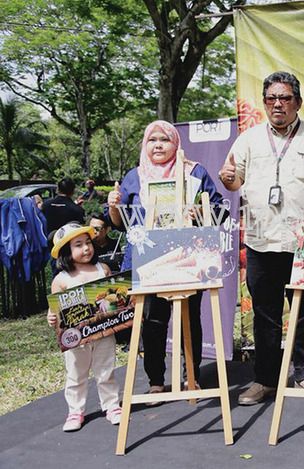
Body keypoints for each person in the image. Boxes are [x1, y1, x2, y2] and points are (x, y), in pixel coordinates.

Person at [219, 71, 304, 405]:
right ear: (265, 102)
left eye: (285, 98)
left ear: (297, 102)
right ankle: (265, 379)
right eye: (271, 98)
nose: (278, 104)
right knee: (265, 313)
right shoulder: (248, 139)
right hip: (260, 239)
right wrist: (227, 179)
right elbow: (234, 181)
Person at [107, 120, 225, 402]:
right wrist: (113, 206)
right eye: (152, 140)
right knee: (152, 320)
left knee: (189, 318)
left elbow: (221, 211)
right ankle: (156, 381)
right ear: (145, 144)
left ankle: (191, 376)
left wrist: (201, 212)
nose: (158, 145)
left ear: (176, 143)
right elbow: (120, 223)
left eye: (164, 139)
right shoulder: (134, 176)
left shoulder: (194, 172)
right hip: (148, 261)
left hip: (188, 258)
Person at [46, 222, 121, 431]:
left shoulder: (102, 269)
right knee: (76, 374)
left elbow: (115, 298)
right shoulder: (61, 280)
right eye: (78, 245)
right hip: (76, 339)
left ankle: (112, 406)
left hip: (104, 332)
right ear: (65, 252)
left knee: (105, 369)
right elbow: (55, 310)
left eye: (88, 242)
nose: (86, 248)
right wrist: (51, 318)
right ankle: (75, 411)